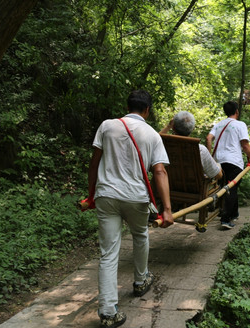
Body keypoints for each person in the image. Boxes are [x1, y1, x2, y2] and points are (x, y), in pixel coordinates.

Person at [86, 90, 174, 328]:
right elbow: (159, 171)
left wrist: (91, 194)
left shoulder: (107, 126)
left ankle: (107, 311)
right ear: (147, 110)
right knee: (140, 235)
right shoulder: (153, 135)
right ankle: (141, 280)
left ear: (128, 106)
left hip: (106, 195)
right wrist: (166, 209)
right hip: (136, 197)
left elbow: (95, 161)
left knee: (108, 253)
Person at [206, 101, 250, 230]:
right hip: (233, 161)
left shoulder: (218, 124)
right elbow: (245, 145)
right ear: (237, 111)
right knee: (231, 187)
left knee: (227, 186)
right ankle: (226, 219)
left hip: (219, 161)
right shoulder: (240, 124)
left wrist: (211, 156)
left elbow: (208, 138)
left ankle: (234, 213)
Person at [159, 111, 223, 180]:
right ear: (192, 129)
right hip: (194, 189)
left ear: (173, 128)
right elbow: (218, 175)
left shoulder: (164, 146)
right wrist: (218, 166)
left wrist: (169, 126)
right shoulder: (200, 150)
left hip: (168, 185)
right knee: (218, 166)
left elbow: (156, 139)